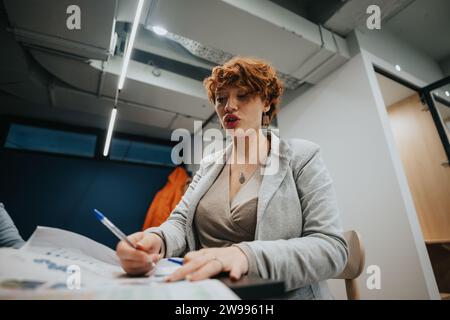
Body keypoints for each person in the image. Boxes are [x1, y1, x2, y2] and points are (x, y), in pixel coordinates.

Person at [116, 56, 348, 299]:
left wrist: (246, 256)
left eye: (243, 95)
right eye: (221, 98)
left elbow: (331, 248)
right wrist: (156, 239)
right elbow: (180, 223)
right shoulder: (207, 166)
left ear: (266, 103)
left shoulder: (302, 157)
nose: (229, 106)